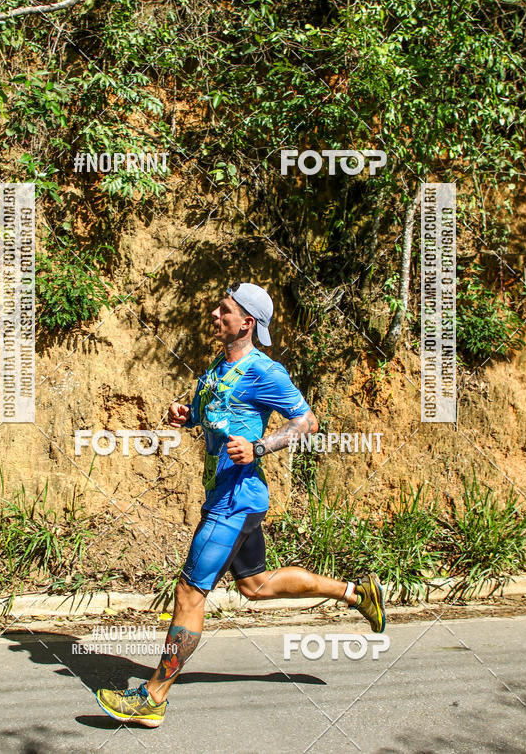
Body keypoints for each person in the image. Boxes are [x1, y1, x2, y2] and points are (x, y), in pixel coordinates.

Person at [96, 282, 385, 727]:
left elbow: (306, 422)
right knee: (257, 586)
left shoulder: (265, 371)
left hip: (234, 502)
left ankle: (153, 696)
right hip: (231, 496)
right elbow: (210, 411)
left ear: (246, 322)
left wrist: (260, 446)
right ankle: (355, 592)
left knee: (190, 592)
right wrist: (186, 415)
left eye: (224, 310)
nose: (214, 314)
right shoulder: (218, 365)